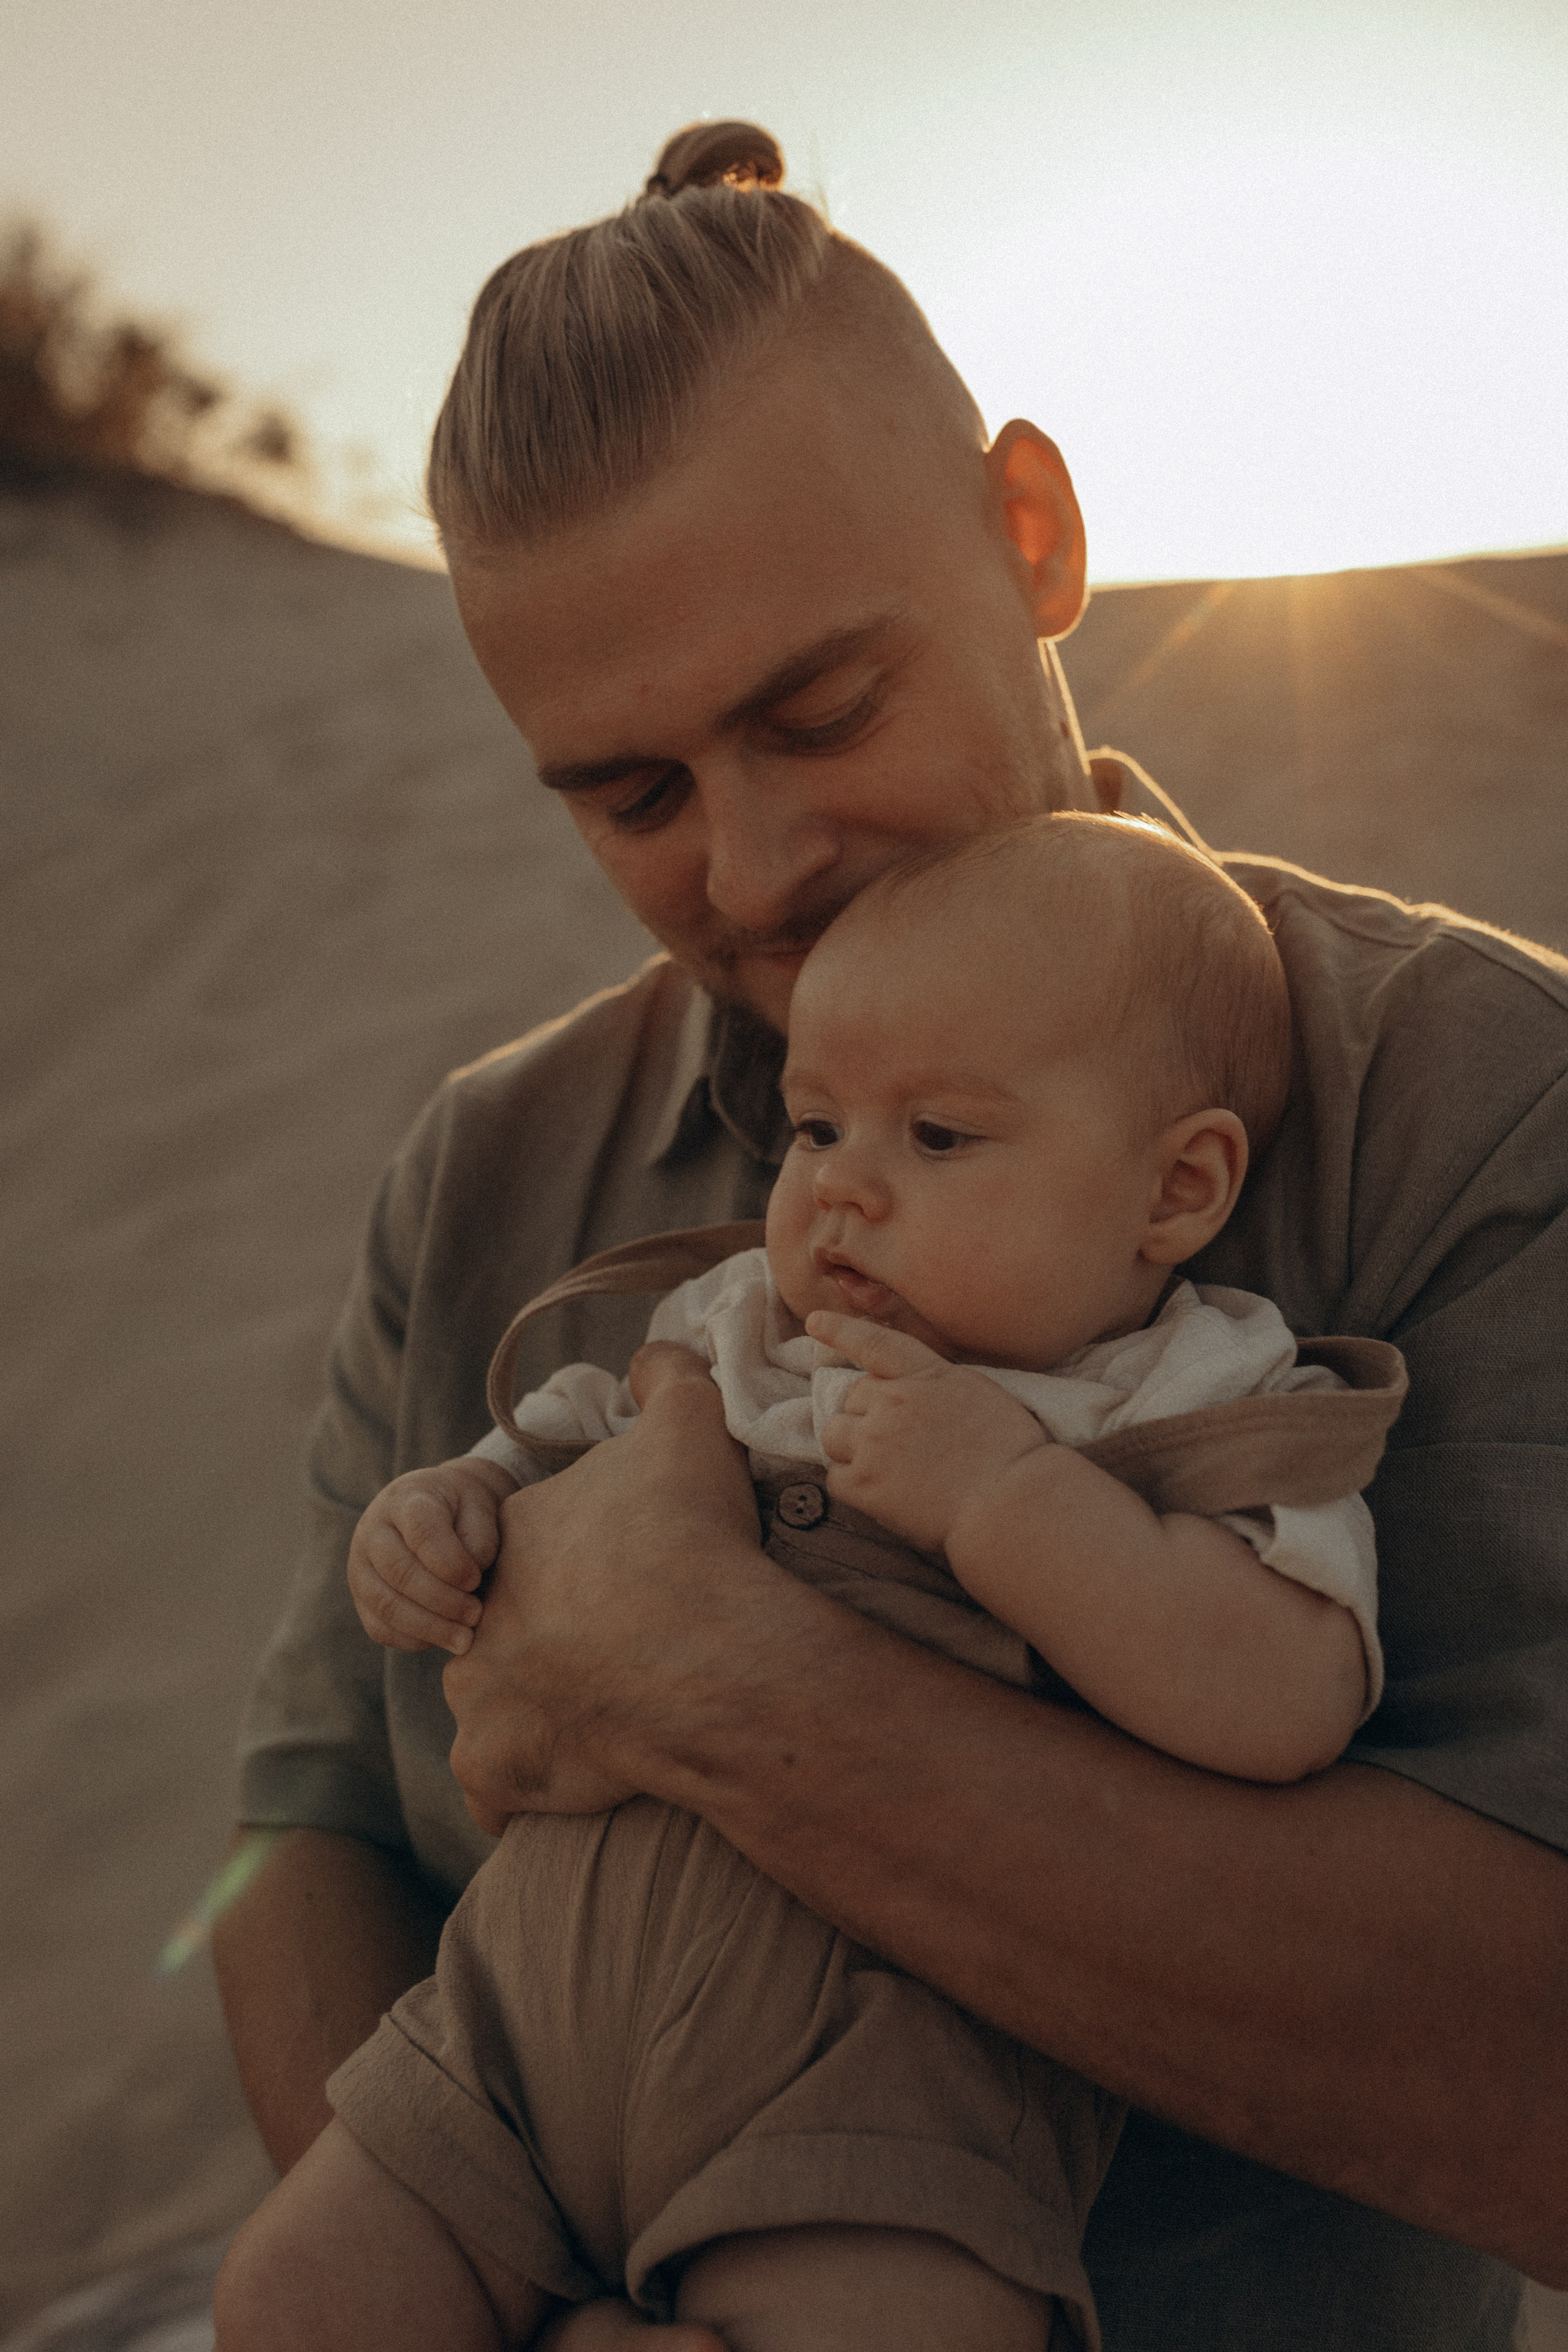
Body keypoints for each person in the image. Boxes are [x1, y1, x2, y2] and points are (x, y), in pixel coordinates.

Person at [213, 120, 1568, 2351]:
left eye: (820, 711)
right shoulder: (488, 1168)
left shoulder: (1472, 1102)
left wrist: (729, 1687)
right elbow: (298, 1841)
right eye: (630, 797)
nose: (749, 870)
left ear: (1031, 537)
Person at [216, 814, 1403, 2350]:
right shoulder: (732, 1326)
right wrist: (447, 1506)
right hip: (517, 2020)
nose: (841, 1192)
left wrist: (1005, 1499)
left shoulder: (1188, 1390)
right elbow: (548, 1444)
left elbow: (1284, 1694)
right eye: (817, 1128)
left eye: (938, 1138)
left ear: (1172, 1192)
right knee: (291, 2300)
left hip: (870, 2090)